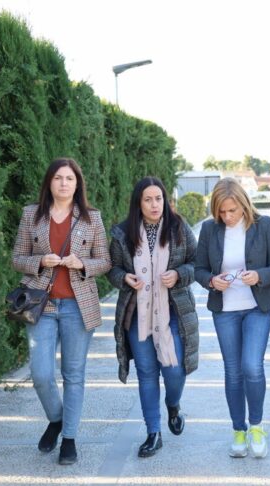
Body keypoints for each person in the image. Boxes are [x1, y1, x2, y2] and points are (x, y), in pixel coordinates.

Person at [12, 158, 111, 465]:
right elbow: (17, 257)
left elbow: (104, 261)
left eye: (69, 178)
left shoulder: (91, 218)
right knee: (41, 374)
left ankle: (69, 439)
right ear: (49, 182)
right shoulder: (32, 215)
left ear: (77, 183)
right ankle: (56, 419)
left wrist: (82, 264)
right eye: (58, 178)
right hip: (41, 305)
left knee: (74, 375)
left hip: (78, 307)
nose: (64, 183)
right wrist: (40, 262)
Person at [107, 176, 199, 458]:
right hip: (138, 314)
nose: (154, 204)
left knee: (174, 370)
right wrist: (125, 278)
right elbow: (112, 269)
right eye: (148, 199)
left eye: (158, 198)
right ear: (139, 203)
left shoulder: (178, 227)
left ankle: (173, 405)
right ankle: (153, 433)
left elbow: (198, 263)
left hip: (174, 311)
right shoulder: (123, 233)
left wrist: (179, 274)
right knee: (146, 373)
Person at [195, 178, 270, 459]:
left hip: (258, 307)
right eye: (222, 211)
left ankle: (256, 426)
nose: (227, 216)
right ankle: (238, 430)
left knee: (252, 366)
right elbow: (199, 269)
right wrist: (212, 281)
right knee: (233, 371)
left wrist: (259, 275)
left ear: (244, 205)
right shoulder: (209, 229)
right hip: (225, 310)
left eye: (232, 210)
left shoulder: (265, 225)